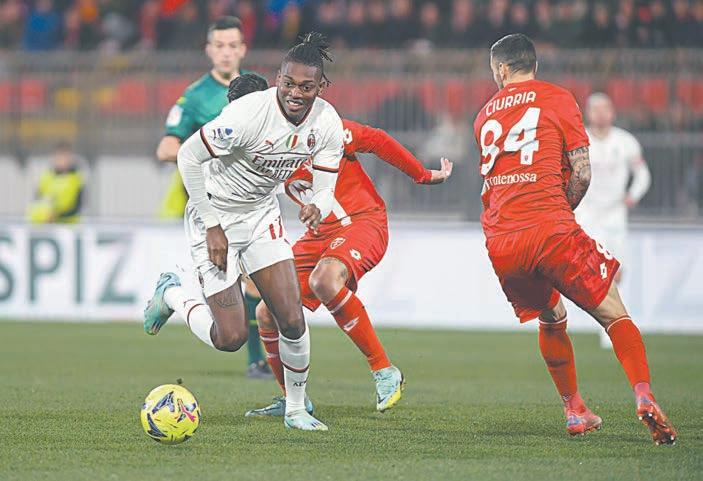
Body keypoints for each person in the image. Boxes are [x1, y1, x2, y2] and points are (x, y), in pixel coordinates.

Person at [473, 33, 675, 444]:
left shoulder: (483, 116)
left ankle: (575, 410)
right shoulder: (558, 98)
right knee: (615, 314)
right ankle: (643, 395)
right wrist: (558, 212)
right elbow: (582, 173)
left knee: (551, 316)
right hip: (550, 228)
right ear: (533, 65)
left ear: (502, 69)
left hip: (502, 241)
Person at [143, 34, 344, 432]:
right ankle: (172, 295)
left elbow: (325, 190)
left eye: (306, 86)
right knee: (230, 337)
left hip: (260, 216)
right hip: (213, 214)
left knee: (291, 318)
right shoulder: (248, 114)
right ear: (278, 79)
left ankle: (296, 410)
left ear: (321, 87)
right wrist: (212, 224)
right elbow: (188, 156)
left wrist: (317, 207)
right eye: (288, 83)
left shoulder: (327, 123)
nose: (295, 93)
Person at [230, 75, 453, 417]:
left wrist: (422, 174)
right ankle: (294, 400)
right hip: (318, 235)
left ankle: (384, 371)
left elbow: (376, 140)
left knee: (324, 280)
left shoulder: (320, 127)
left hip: (362, 221)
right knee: (266, 312)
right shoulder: (255, 154)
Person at [155, 16, 270, 379]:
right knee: (243, 287)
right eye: (219, 46)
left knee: (258, 282)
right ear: (208, 50)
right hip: (214, 206)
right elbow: (166, 148)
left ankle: (257, 362)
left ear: (243, 49)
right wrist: (209, 153)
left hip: (252, 201)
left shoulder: (258, 92)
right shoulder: (194, 96)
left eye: (232, 46)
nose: (226, 53)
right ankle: (178, 297)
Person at [577, 93, 651, 348]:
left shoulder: (625, 141)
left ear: (612, 112)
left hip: (614, 216)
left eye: (604, 109)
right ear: (588, 113)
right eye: (595, 109)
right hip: (587, 215)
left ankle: (614, 324)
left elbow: (642, 174)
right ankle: (606, 326)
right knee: (594, 273)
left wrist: (633, 196)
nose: (600, 114)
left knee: (617, 272)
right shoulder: (579, 139)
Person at [28, 142, 85, 224]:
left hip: (69, 226)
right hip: (47, 226)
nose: (62, 161)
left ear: (70, 158)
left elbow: (78, 207)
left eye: (65, 157)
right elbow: (38, 201)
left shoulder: (77, 178)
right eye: (59, 157)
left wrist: (57, 215)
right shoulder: (46, 177)